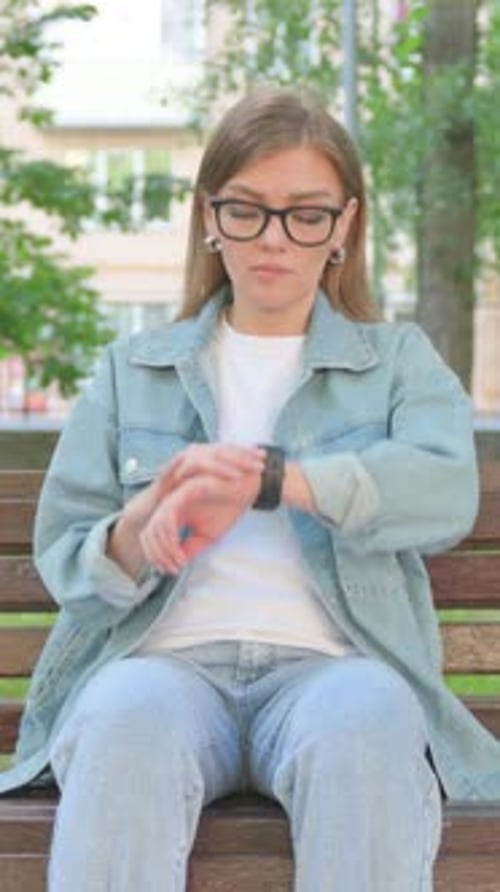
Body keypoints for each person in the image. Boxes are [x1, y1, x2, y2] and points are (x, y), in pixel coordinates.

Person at [2, 85, 500, 892]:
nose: (275, 238)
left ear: (343, 226)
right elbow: (66, 554)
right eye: (247, 210)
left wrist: (279, 480)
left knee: (368, 723)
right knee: (122, 718)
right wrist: (139, 528)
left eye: (306, 214)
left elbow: (446, 494)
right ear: (210, 216)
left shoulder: (398, 362)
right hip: (163, 669)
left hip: (334, 672)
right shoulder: (132, 371)